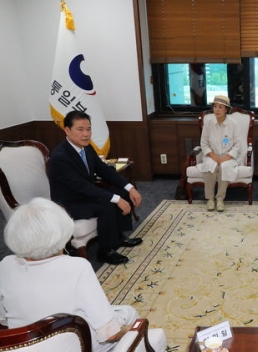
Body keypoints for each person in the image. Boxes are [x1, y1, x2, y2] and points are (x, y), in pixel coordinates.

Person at [0, 197, 167, 352]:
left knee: (118, 313)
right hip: (77, 345)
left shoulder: (5, 265)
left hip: (23, 345)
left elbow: (4, 320)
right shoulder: (77, 267)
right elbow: (109, 334)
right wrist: (132, 330)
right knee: (129, 314)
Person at [48, 110, 143, 265]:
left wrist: (129, 187)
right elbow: (81, 186)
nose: (86, 134)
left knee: (122, 193)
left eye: (88, 129)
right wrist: (116, 199)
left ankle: (118, 237)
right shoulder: (61, 156)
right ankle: (106, 251)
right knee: (107, 205)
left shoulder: (86, 147)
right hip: (69, 202)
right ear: (67, 130)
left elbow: (104, 170)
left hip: (85, 193)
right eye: (80, 129)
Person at [199, 95, 242, 212]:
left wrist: (225, 158)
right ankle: (210, 199)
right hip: (211, 156)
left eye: (220, 107)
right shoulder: (208, 123)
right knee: (210, 166)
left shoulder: (233, 124)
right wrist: (214, 157)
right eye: (215, 107)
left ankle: (220, 199)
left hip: (228, 157)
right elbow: (203, 143)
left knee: (225, 167)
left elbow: (238, 145)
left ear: (226, 109)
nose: (217, 110)